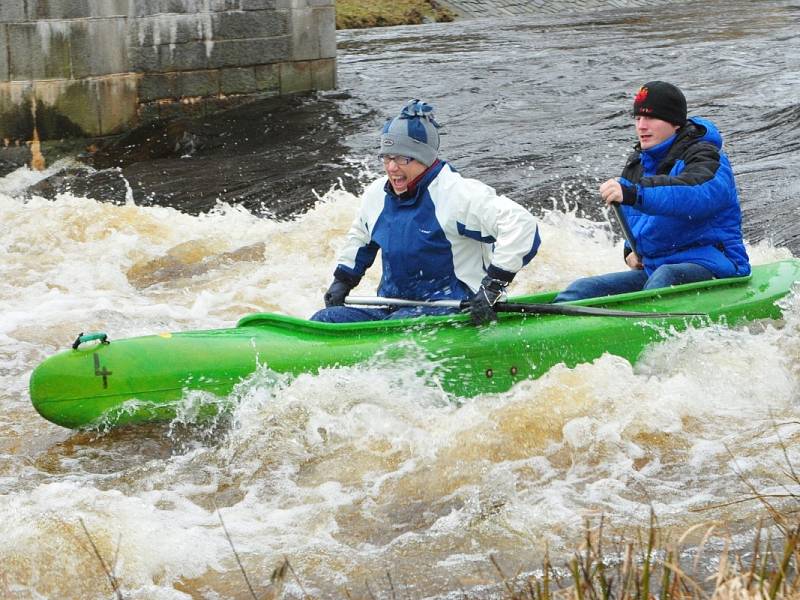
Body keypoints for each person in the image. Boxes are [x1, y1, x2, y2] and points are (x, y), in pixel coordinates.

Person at [311, 99, 541, 325]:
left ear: (425, 158)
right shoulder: (376, 194)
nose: (392, 167)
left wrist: (492, 287)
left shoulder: (458, 194)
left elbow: (522, 225)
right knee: (325, 320)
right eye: (387, 157)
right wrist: (342, 281)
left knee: (404, 325)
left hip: (457, 311)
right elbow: (361, 237)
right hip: (395, 309)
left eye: (402, 158)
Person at [554, 81, 750, 303]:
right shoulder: (636, 164)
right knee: (582, 289)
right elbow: (638, 222)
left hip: (715, 264)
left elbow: (694, 195)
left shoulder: (706, 157)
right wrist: (629, 252)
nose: (641, 126)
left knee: (665, 277)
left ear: (675, 123)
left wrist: (634, 193)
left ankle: (640, 330)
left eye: (650, 118)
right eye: (637, 118)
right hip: (656, 268)